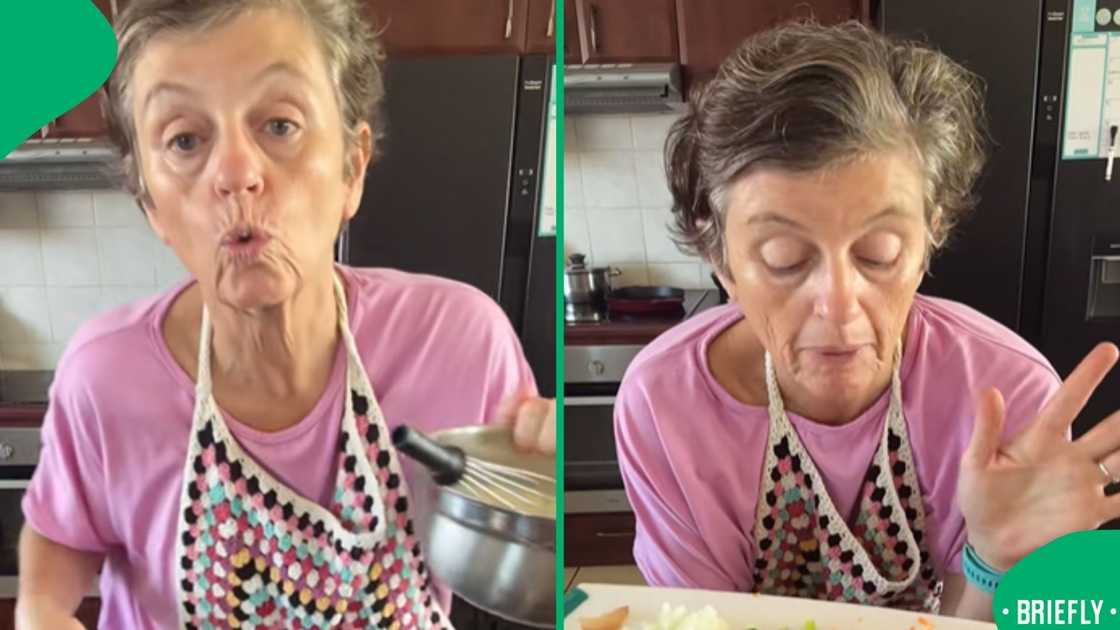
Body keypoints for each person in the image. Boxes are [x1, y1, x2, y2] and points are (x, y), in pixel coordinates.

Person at [16, 2, 555, 629]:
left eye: (279, 125)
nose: (236, 174)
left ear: (352, 168)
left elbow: (528, 547)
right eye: (185, 140)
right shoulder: (104, 377)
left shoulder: (461, 341)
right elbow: (60, 543)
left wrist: (548, 484)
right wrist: (38, 608)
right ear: (152, 207)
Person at [615, 20, 1120, 621]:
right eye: (785, 258)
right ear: (720, 260)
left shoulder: (1006, 393)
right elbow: (704, 620)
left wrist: (996, 560)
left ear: (931, 236)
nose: (839, 303)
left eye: (879, 252)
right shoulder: (665, 404)